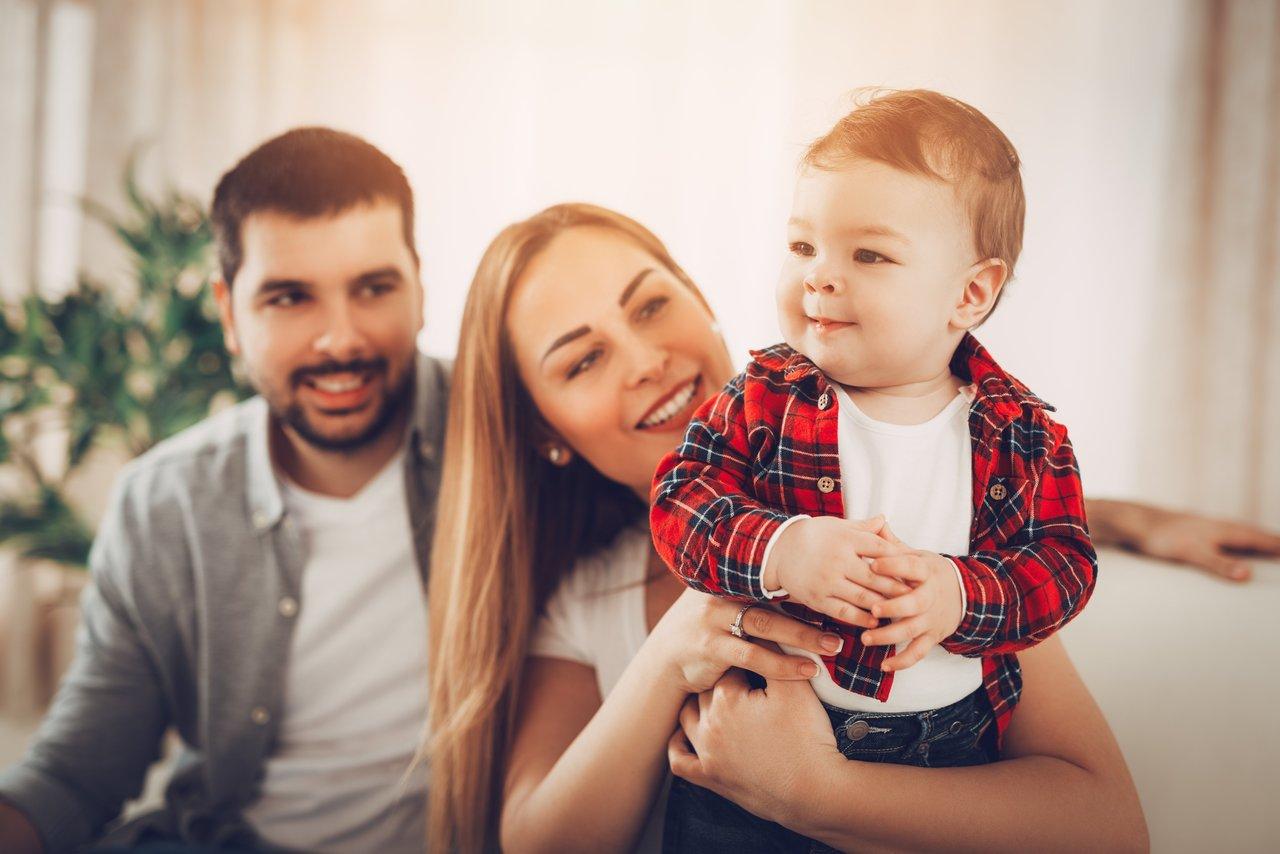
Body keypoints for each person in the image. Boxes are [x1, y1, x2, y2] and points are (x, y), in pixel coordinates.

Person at [427, 202, 1148, 853]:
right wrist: (674, 650)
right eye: (584, 359)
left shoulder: (911, 515)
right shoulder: (585, 597)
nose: (646, 362)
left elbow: (1109, 829)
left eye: (650, 307)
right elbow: (537, 842)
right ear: (542, 431)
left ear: (701, 302)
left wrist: (818, 794)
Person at [650, 89, 1095, 849]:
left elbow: (1063, 563)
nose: (820, 276)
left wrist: (962, 593)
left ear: (970, 292)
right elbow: (680, 499)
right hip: (765, 728)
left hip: (949, 751)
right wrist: (782, 548)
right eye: (803, 248)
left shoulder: (1021, 433)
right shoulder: (763, 397)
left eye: (869, 255)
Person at [0, 127, 448, 853]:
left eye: (373, 287)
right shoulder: (163, 502)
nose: (339, 339)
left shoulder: (517, 438)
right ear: (229, 314)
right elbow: (80, 771)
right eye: (289, 298)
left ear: (419, 287)